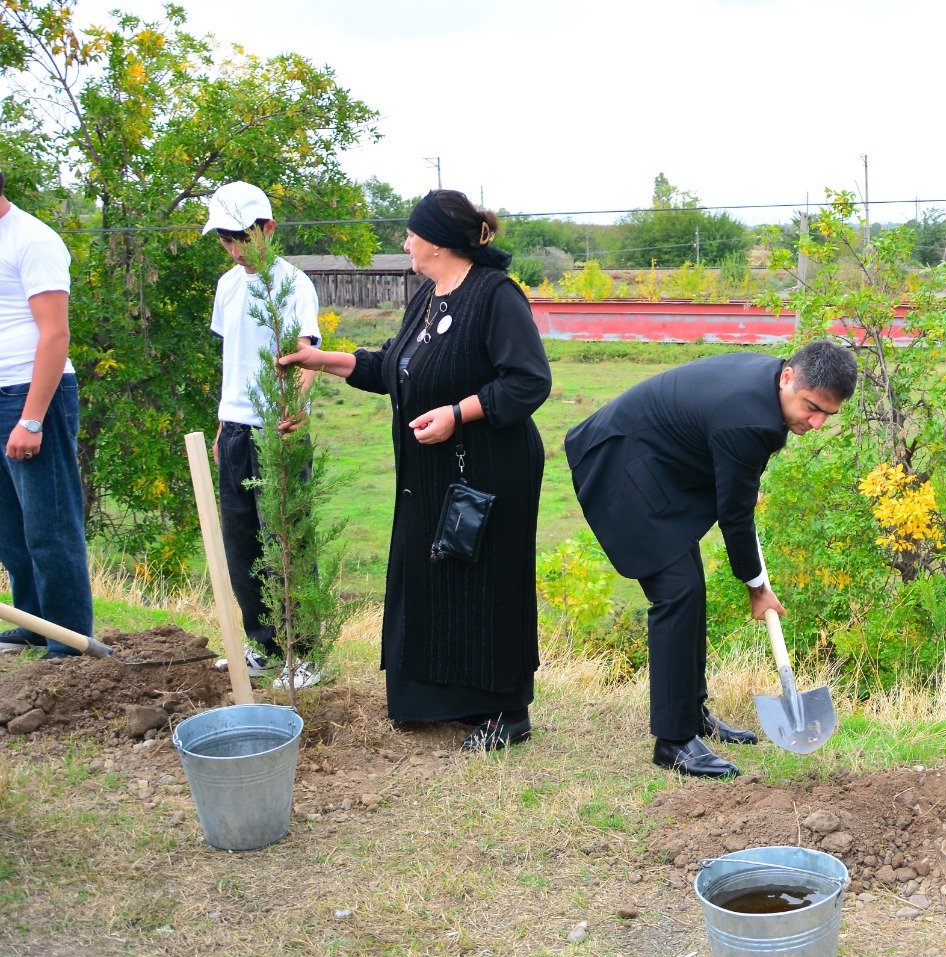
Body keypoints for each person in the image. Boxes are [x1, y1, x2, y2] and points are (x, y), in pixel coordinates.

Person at [280, 190, 551, 752]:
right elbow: (391, 365)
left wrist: (458, 413)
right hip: (431, 473)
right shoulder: (429, 295)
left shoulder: (496, 297)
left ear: (436, 240)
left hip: (491, 471)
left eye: (410, 233)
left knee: (488, 581)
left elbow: (528, 382)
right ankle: (443, 699)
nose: (403, 243)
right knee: (437, 579)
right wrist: (322, 360)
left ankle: (507, 712)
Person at [565, 342, 857, 778]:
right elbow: (734, 518)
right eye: (811, 408)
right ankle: (674, 741)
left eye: (826, 416)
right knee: (677, 593)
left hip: (659, 464)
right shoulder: (750, 418)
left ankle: (692, 715)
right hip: (619, 463)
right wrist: (757, 588)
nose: (815, 423)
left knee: (689, 589)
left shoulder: (767, 395)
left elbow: (734, 479)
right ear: (788, 378)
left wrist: (741, 479)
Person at [202, 181, 323, 690]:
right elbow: (232, 360)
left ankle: (304, 652)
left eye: (240, 238)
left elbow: (304, 353)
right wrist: (221, 423)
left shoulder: (294, 283)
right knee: (241, 543)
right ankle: (262, 645)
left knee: (285, 543)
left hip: (276, 429)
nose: (234, 250)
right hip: (234, 429)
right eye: (225, 241)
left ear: (267, 229)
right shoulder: (228, 285)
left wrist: (294, 407)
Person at [0, 167, 93, 660]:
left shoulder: (33, 240)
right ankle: (33, 622)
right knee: (8, 526)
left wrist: (32, 418)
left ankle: (68, 640)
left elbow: (55, 333)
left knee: (48, 524)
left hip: (33, 394)